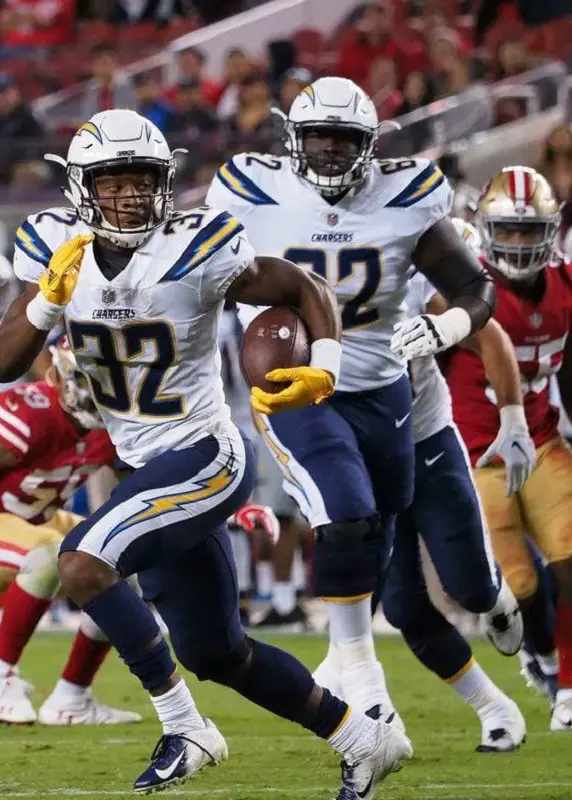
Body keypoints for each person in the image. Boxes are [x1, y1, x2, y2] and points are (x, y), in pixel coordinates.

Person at [0, 108, 412, 798]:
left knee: (81, 563)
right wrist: (46, 304)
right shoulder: (53, 247)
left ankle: (185, 726)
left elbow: (299, 286)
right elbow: (8, 361)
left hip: (205, 454)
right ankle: (364, 739)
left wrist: (329, 366)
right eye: (113, 181)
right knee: (215, 651)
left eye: (143, 180)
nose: (131, 195)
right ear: (81, 187)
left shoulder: (198, 245)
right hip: (143, 465)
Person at [206, 77, 507, 794]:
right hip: (296, 383)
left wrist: (447, 326)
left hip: (384, 386)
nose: (331, 152)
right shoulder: (250, 192)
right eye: (318, 138)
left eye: (345, 139)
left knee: (377, 525)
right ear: (292, 140)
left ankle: (353, 667)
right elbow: (198, 272)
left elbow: (477, 288)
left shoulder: (407, 199)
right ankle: (365, 689)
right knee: (342, 512)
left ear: (371, 145)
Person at [314, 221, 529, 751]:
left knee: (472, 589)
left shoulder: (415, 286)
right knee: (405, 607)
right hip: (367, 455)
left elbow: (491, 335)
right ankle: (494, 707)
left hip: (425, 443)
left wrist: (514, 417)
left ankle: (498, 595)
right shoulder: (314, 285)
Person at [446, 166, 572, 731]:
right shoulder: (459, 288)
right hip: (477, 456)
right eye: (510, 231)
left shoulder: (567, 285)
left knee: (570, 559)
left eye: (529, 231)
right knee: (520, 586)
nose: (519, 243)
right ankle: (543, 658)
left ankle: (569, 684)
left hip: (543, 441)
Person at [0, 339, 140, 725]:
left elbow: (156, 477)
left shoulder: (115, 427)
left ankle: (71, 698)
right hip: (13, 520)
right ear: (62, 373)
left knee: (115, 566)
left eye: (105, 381)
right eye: (88, 379)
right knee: (47, 556)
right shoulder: (31, 411)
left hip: (37, 519)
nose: (97, 391)